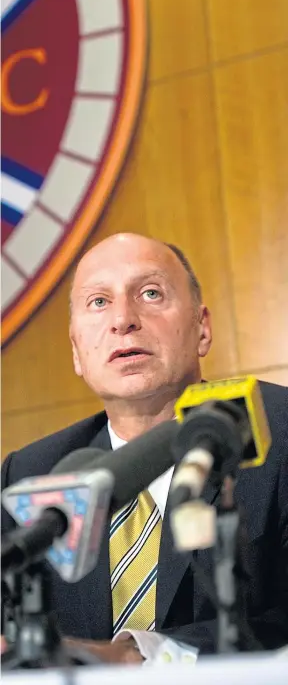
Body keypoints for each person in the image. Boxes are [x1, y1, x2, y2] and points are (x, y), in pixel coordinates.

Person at [2, 233, 288, 665]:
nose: (122, 320)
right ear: (77, 351)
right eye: (98, 302)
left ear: (202, 328)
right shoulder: (32, 473)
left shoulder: (278, 429)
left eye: (150, 293)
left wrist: (141, 658)